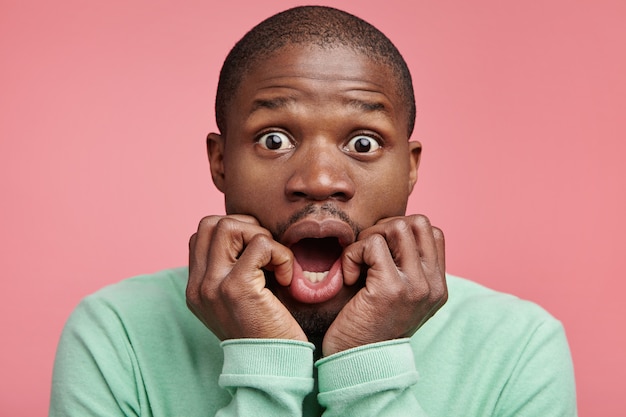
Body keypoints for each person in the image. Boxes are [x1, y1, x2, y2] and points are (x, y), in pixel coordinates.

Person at [49, 5, 577, 416]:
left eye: (364, 144)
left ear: (410, 169)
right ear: (220, 161)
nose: (320, 180)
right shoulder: (115, 332)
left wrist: (369, 368)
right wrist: (262, 363)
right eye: (274, 139)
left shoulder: (519, 346)